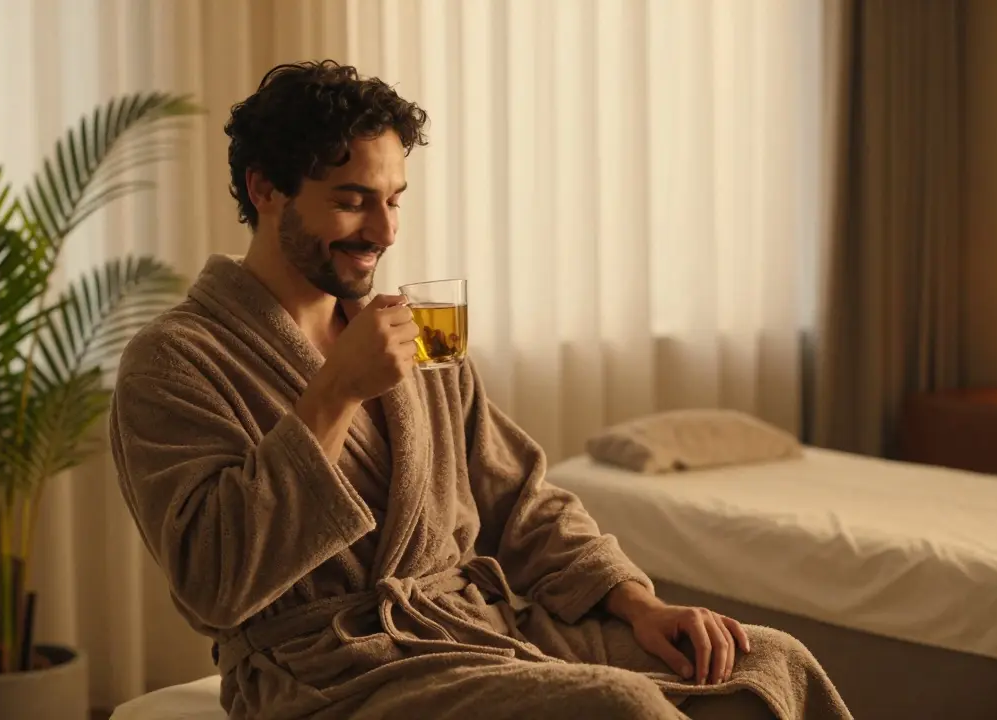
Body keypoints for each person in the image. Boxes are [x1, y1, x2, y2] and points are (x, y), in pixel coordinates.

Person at [108, 60, 850, 720]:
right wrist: (333, 394)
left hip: (469, 626)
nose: (385, 231)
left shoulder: (414, 332)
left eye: (395, 199)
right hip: (326, 672)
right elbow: (213, 583)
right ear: (265, 189)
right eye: (352, 200)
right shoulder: (174, 361)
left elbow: (518, 501)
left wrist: (638, 603)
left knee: (770, 660)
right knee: (616, 706)